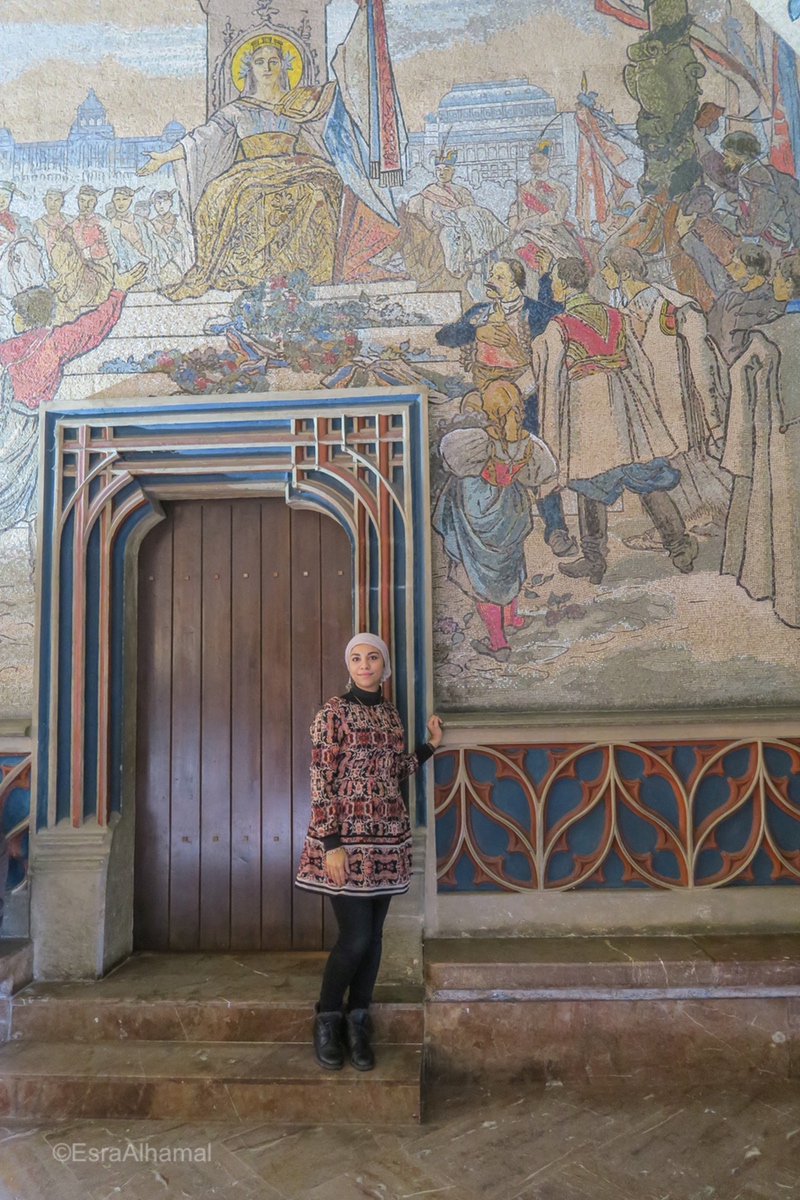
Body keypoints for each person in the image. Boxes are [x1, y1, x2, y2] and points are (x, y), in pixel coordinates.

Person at [295, 634, 443, 1071]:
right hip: (346, 843)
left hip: (387, 838)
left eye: (372, 657)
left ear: (384, 666)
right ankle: (326, 1017)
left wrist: (430, 746)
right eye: (356, 658)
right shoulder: (333, 713)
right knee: (355, 938)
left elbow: (394, 771)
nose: (364, 664)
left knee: (375, 939)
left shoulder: (391, 715)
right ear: (349, 666)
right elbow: (320, 778)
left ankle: (359, 1020)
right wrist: (331, 844)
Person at [531, 256, 698, 583]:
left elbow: (550, 382)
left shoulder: (559, 325)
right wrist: (648, 414)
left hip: (587, 407)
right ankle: (679, 547)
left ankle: (594, 560)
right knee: (644, 473)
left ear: (565, 283)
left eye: (553, 280)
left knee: (589, 480)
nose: (550, 285)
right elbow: (642, 365)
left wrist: (551, 436)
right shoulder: (615, 314)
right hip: (626, 403)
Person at [435, 255, 576, 558]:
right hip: (488, 398)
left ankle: (556, 529)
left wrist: (548, 282)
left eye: (498, 276)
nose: (491, 281)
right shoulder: (479, 313)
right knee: (487, 457)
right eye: (491, 275)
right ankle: (496, 528)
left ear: (515, 283)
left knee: (537, 456)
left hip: (528, 395)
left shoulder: (535, 312)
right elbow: (444, 336)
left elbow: (560, 324)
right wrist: (475, 333)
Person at [0, 262, 147, 541]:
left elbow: (90, 327)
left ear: (27, 317)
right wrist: (117, 292)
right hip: (31, 427)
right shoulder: (55, 341)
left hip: (15, 425)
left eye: (17, 313)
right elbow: (92, 328)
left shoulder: (19, 346)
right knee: (31, 496)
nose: (13, 319)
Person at [600, 244, 730, 542]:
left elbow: (701, 360)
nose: (604, 274)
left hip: (683, 406)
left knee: (697, 462)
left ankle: (717, 517)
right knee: (671, 466)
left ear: (626, 272)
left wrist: (712, 416)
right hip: (653, 406)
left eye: (608, 268)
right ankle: (685, 523)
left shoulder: (672, 307)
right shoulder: (625, 311)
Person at [432, 379, 559, 661]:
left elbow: (451, 458)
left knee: (482, 576)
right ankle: (512, 618)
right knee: (509, 562)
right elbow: (543, 473)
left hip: (477, 513)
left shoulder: (475, 441)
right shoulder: (528, 445)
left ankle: (498, 643)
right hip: (509, 512)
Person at [721, 253, 800, 626]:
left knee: (783, 515)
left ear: (788, 285)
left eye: (781, 280)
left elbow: (740, 380)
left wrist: (739, 444)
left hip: (781, 436)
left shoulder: (768, 336)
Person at [721, 130, 800, 253]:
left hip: (776, 238)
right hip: (770, 236)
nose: (725, 161)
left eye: (728, 156)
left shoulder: (757, 176)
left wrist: (729, 222)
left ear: (740, 156)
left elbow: (757, 221)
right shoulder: (751, 173)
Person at [708, 242, 783, 364]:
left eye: (736, 266)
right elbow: (710, 328)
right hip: (721, 365)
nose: (729, 269)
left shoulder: (773, 299)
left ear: (751, 271)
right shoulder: (729, 295)